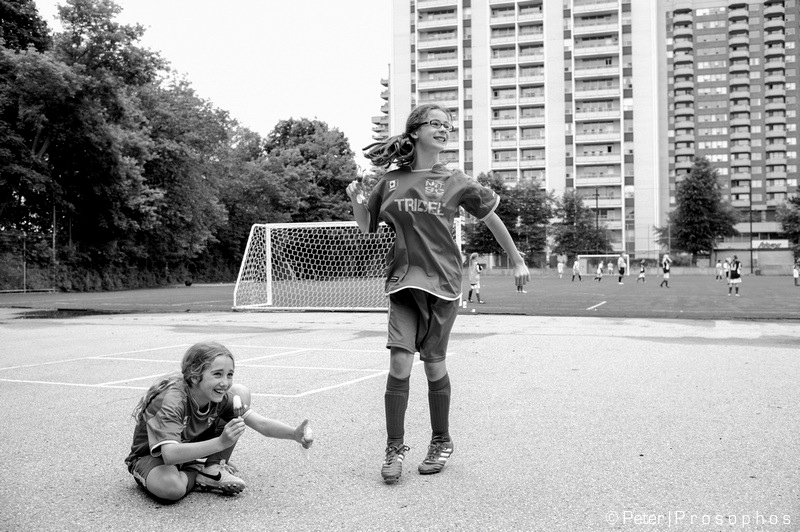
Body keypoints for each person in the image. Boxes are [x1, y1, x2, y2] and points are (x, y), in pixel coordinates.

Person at [348, 104, 530, 483]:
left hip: (443, 284)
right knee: (399, 363)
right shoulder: (390, 181)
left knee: (433, 365)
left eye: (448, 125)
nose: (444, 129)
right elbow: (367, 226)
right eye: (436, 124)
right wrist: (355, 200)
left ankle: (441, 440)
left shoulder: (456, 180)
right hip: (402, 282)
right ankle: (394, 447)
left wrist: (516, 259)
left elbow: (492, 218)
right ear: (414, 132)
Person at [125, 341, 313, 503]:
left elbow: (261, 424)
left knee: (240, 393)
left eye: (229, 374)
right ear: (194, 375)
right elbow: (169, 454)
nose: (225, 382)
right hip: (152, 456)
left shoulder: (219, 398)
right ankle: (199, 473)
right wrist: (221, 442)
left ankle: (213, 468)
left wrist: (294, 434)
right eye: (217, 374)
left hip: (188, 447)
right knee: (171, 489)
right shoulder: (172, 401)